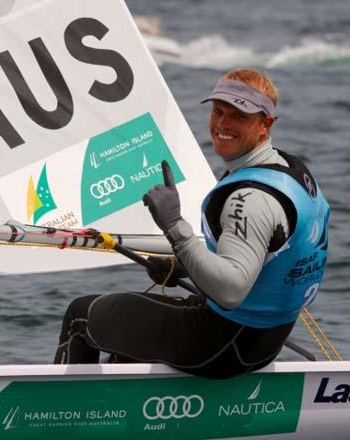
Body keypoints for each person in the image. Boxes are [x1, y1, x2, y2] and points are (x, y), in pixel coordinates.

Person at [54, 67, 330, 379]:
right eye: (218, 111)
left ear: (265, 124)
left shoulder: (249, 199)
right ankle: (121, 415)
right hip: (263, 343)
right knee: (130, 333)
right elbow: (264, 255)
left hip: (217, 347)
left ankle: (53, 420)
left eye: (238, 116)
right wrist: (182, 265)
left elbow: (230, 291)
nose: (223, 124)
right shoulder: (291, 173)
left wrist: (174, 225)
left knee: (80, 315)